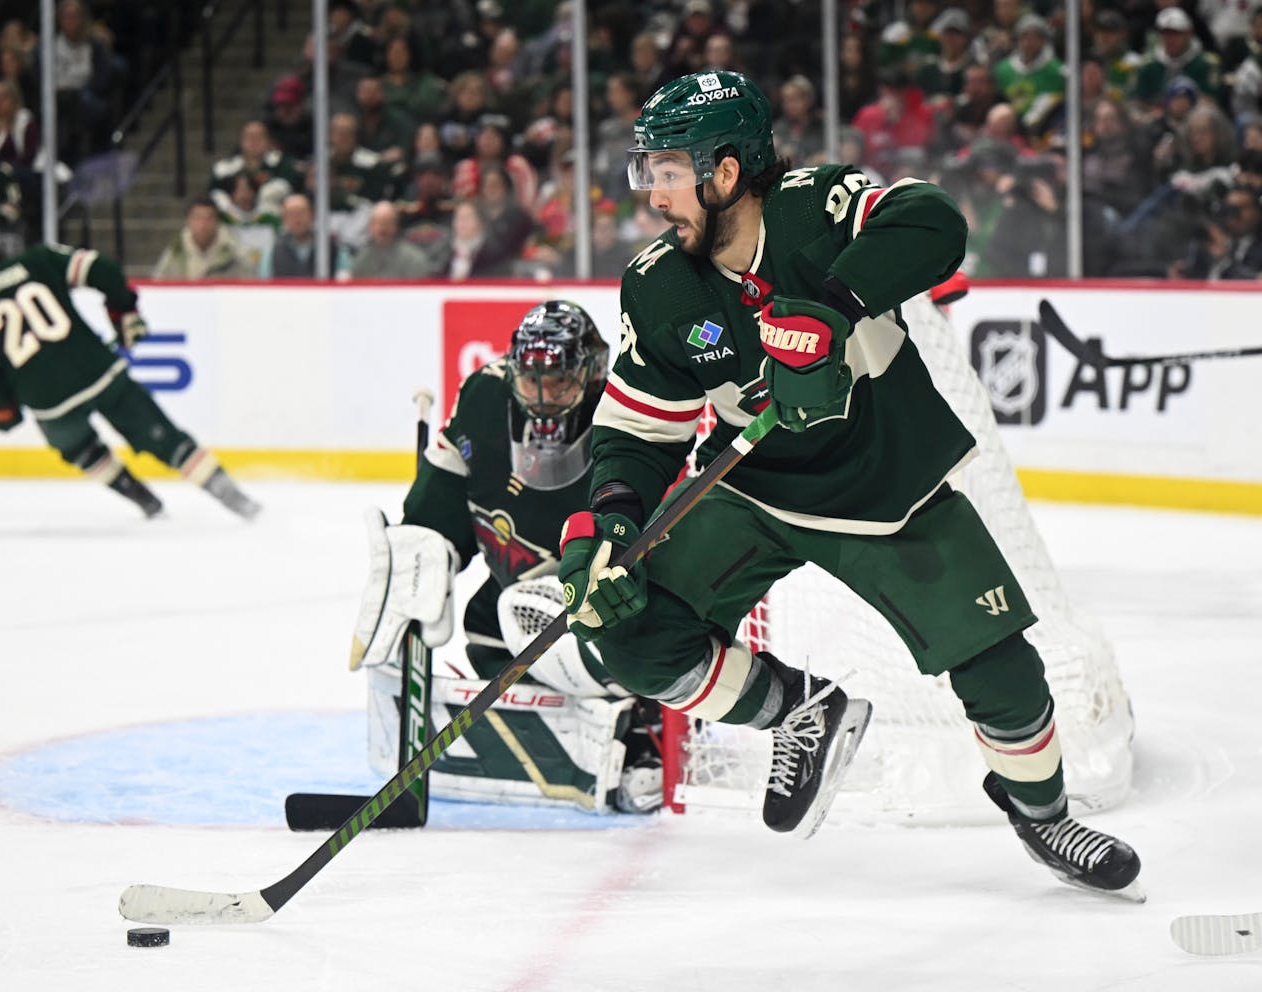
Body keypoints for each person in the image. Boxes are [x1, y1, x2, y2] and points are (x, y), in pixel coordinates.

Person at [557, 70, 1144, 898]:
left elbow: (936, 222)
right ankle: (797, 708)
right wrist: (616, 520)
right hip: (750, 489)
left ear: (726, 172)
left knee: (1006, 676)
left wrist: (833, 307)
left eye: (666, 171)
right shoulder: (657, 285)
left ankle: (1044, 816)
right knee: (622, 629)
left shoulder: (817, 206)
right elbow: (639, 429)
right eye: (645, 171)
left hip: (886, 490)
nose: (651, 194)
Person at [350, 301, 663, 814]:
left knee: (579, 621)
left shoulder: (618, 411)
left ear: (590, 374)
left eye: (559, 381)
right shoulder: (484, 396)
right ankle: (561, 718)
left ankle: (646, 725)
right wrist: (424, 554)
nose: (542, 397)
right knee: (495, 623)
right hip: (511, 591)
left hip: (596, 596)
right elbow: (447, 489)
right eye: (531, 379)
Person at [0, 218, 260, 520]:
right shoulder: (38, 260)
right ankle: (237, 501)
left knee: (81, 450)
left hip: (51, 405)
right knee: (169, 442)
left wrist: (3, 411)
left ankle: (146, 502)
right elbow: (102, 269)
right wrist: (123, 309)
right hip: (99, 374)